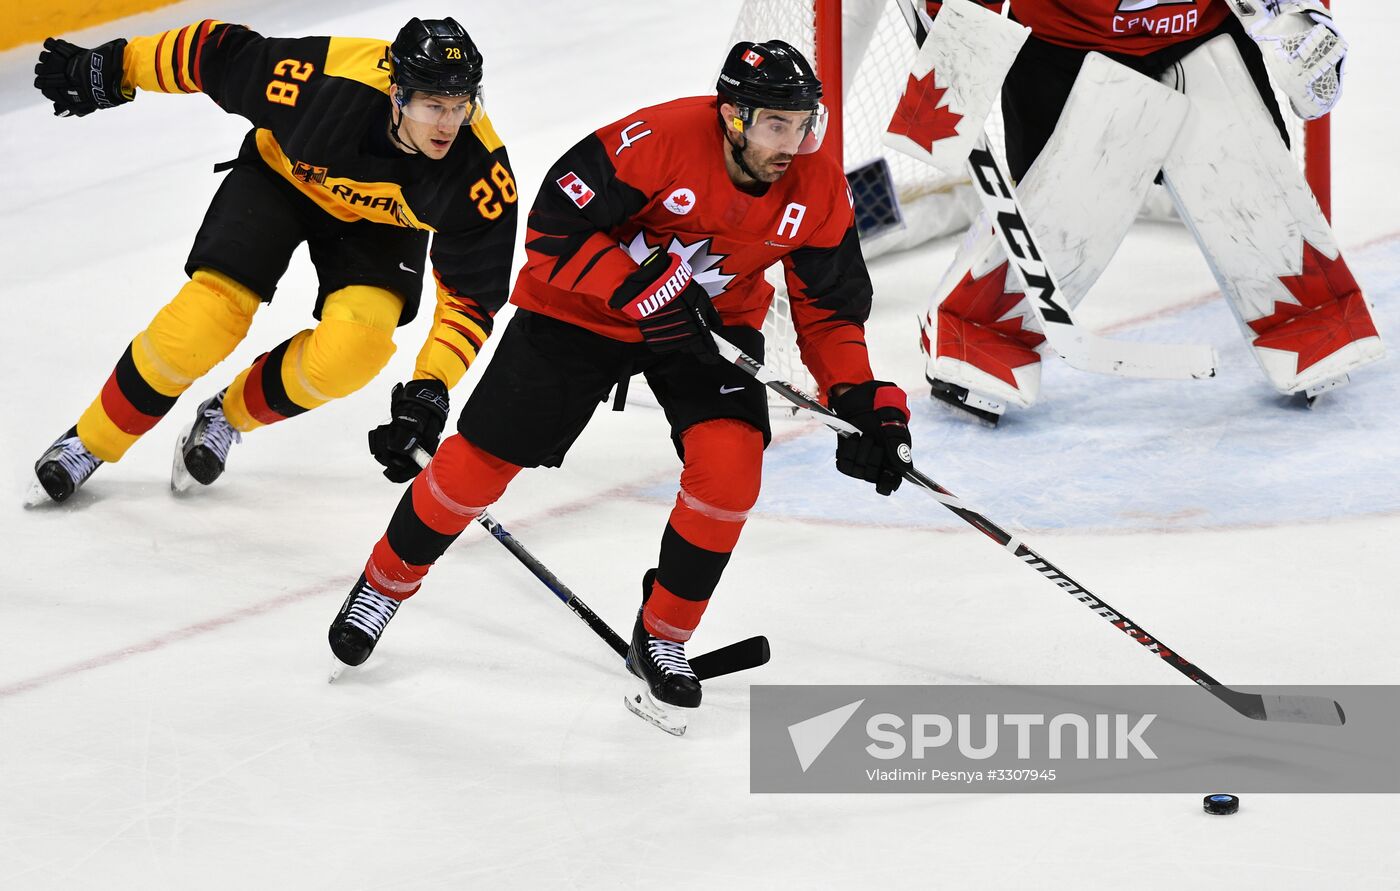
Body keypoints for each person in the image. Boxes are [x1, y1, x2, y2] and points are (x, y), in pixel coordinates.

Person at [325, 39, 914, 730]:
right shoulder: (658, 141)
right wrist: (637, 288)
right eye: (775, 124)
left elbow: (830, 309)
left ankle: (663, 633)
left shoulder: (816, 189)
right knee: (475, 468)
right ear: (732, 116)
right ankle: (384, 585)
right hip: (582, 311)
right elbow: (551, 226)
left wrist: (858, 396)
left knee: (730, 473)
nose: (793, 142)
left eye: (803, 122)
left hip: (708, 328)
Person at [28, 17, 516, 502]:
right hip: (280, 181)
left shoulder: (480, 175)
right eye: (434, 106)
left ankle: (226, 415)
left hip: (381, 227)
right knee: (204, 320)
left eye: (461, 106)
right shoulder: (321, 81)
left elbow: (471, 300)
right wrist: (117, 66)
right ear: (397, 96)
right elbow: (213, 52)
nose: (450, 125)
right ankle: (89, 441)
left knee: (356, 350)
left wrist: (431, 387)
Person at [917, 0, 1380, 424]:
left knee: (1252, 186)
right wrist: (952, 39)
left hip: (1202, 33)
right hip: (1062, 45)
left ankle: (1308, 317)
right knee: (1060, 215)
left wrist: (1299, 14)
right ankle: (977, 328)